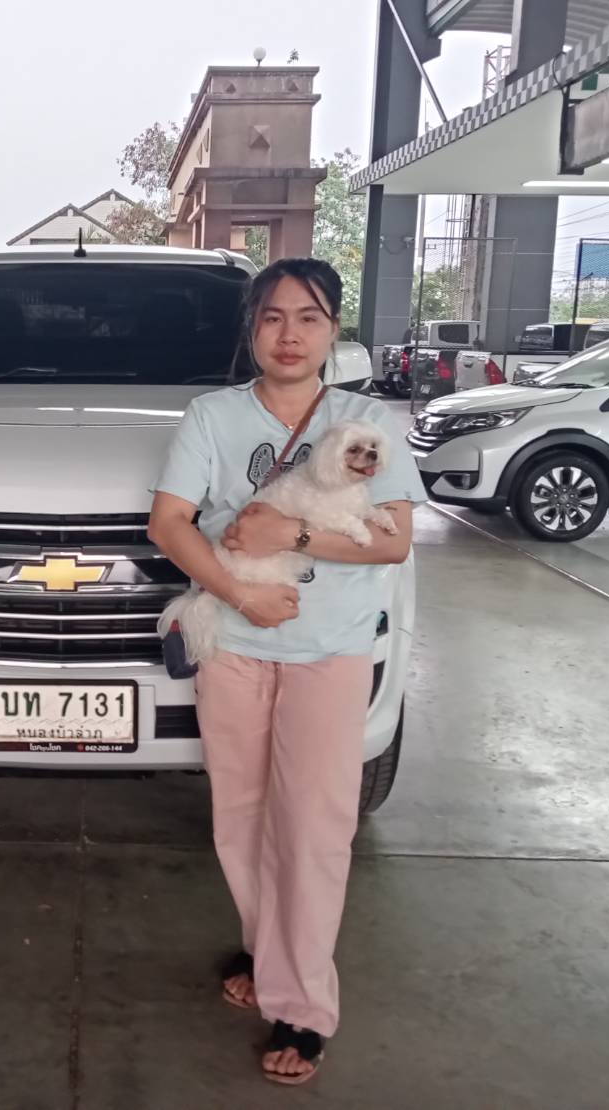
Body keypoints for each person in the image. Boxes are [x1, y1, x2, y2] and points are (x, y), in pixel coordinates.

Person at [146, 258, 427, 1085]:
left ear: (333, 330)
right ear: (252, 330)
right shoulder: (213, 416)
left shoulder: (364, 421)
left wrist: (292, 536)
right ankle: (268, 951)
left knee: (314, 827)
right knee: (240, 815)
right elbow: (169, 523)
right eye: (272, 317)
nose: (290, 334)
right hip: (234, 646)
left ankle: (302, 1007)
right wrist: (240, 592)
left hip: (329, 650)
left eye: (308, 317)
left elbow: (393, 542)